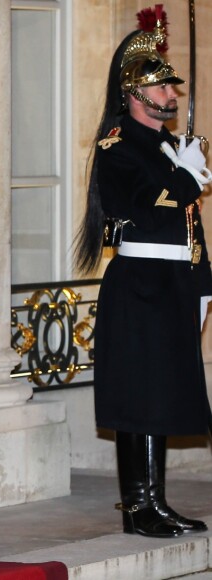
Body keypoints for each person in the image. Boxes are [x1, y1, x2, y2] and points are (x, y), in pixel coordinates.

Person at [74, 15, 212, 538]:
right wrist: (184, 179)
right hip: (140, 283)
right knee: (140, 397)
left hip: (172, 283)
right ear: (136, 93)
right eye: (160, 85)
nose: (170, 92)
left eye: (171, 84)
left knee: (160, 395)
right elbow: (139, 207)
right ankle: (138, 506)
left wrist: (203, 282)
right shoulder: (118, 144)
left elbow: (189, 227)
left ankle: (157, 501)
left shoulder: (163, 146)